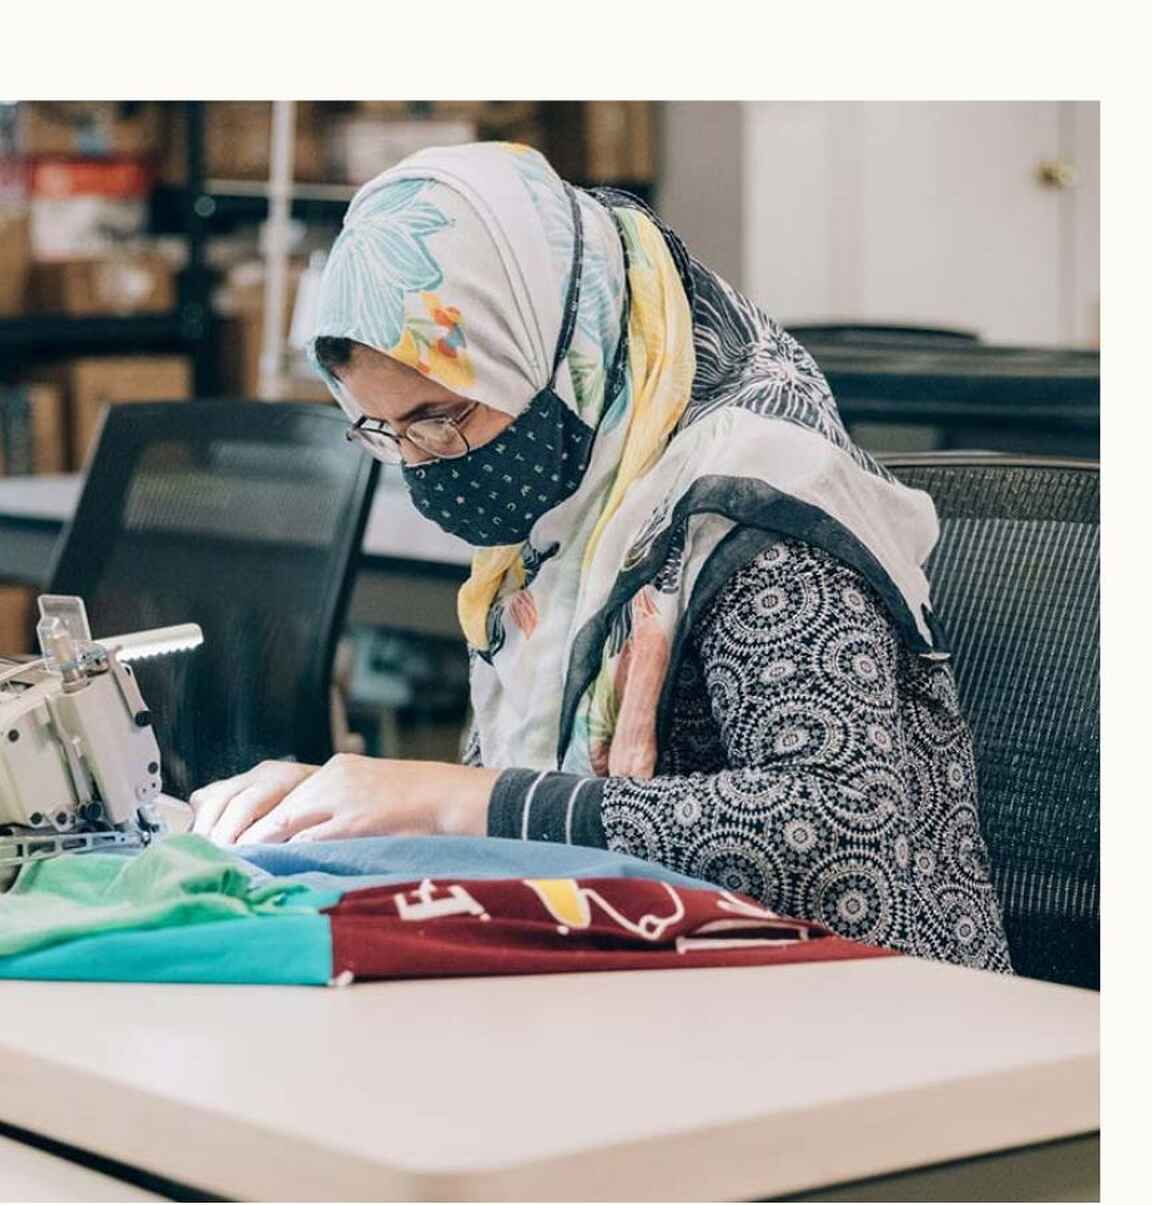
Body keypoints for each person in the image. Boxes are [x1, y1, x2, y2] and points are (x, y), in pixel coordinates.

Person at [189, 143, 1010, 971]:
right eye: (386, 431)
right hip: (666, 984)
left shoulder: (761, 511)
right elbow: (532, 810)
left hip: (868, 1016)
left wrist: (450, 803)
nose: (423, 460)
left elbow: (841, 830)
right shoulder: (557, 529)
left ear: (554, 350)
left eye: (441, 415)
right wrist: (337, 805)